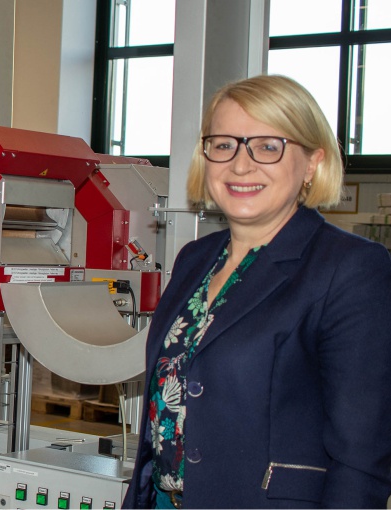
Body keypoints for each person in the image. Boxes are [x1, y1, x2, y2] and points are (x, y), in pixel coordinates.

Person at [122, 74, 391, 509]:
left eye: (268, 146)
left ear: (312, 164)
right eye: (224, 144)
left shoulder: (349, 267)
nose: (241, 165)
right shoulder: (195, 259)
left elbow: (361, 458)